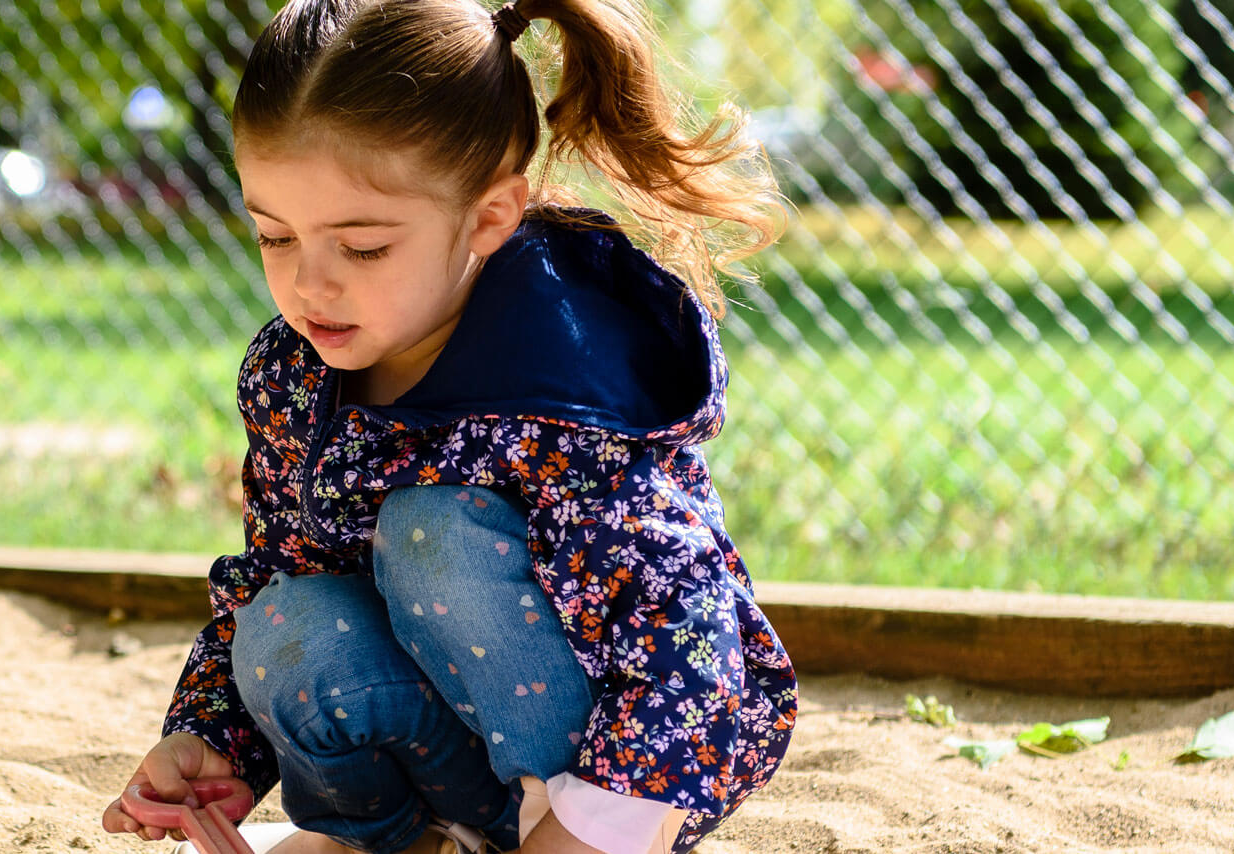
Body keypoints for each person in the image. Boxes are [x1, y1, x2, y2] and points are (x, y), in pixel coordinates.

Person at [100, 0, 797, 851]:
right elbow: (281, 569)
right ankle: (386, 838)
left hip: (616, 775)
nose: (310, 286)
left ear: (488, 218)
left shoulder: (560, 386)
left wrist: (595, 823)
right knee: (287, 624)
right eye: (275, 237)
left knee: (434, 529)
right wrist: (212, 742)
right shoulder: (295, 379)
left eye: (361, 249)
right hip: (452, 759)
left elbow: (689, 640)